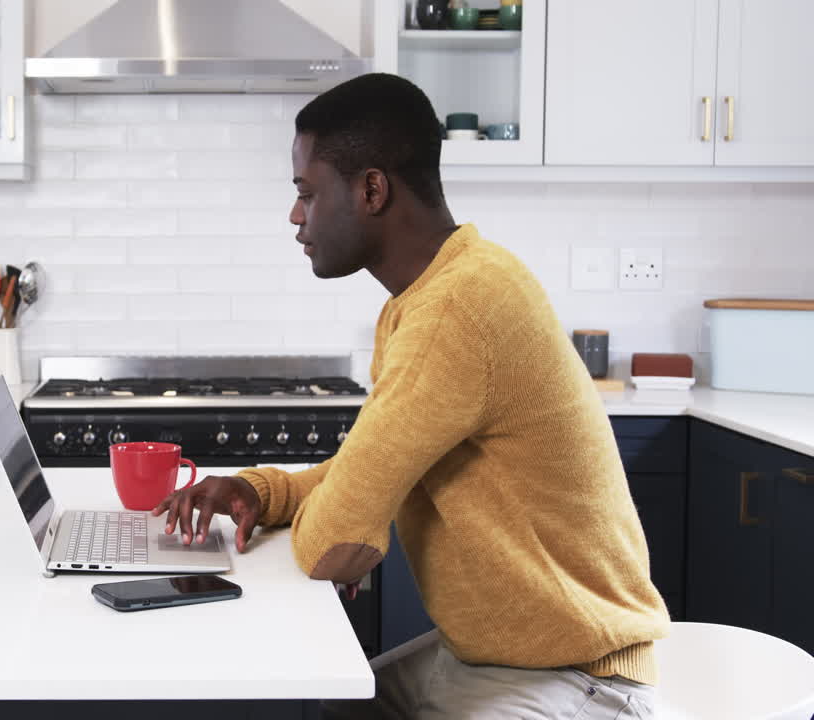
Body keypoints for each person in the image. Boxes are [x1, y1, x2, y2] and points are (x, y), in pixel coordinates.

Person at [152, 73, 669, 719]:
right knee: (329, 707)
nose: (294, 215)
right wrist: (264, 492)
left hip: (578, 682)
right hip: (486, 662)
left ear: (371, 189)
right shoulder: (429, 297)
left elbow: (333, 540)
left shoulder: (458, 306)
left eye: (306, 193)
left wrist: (342, 523)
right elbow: (366, 473)